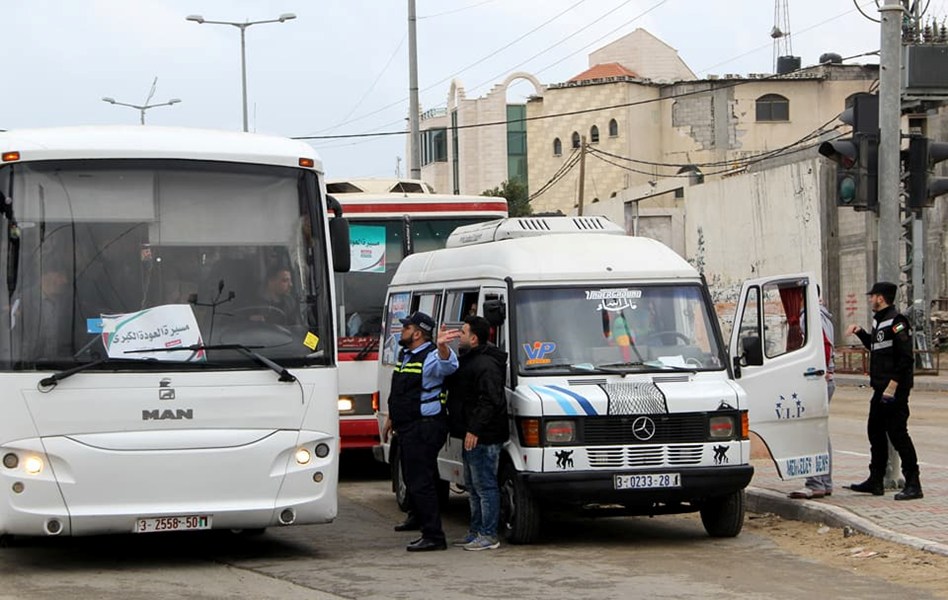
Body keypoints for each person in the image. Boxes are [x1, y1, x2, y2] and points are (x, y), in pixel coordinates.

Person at [381, 311, 459, 551]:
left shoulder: (432, 357)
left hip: (424, 427)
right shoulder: (406, 355)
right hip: (407, 425)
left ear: (417, 333)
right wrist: (391, 418)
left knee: (420, 481)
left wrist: (443, 347)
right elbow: (400, 391)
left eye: (406, 328)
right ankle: (417, 518)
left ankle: (434, 536)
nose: (401, 330)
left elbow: (449, 365)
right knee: (415, 476)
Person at [844, 281, 923, 501]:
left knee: (898, 434)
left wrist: (894, 384)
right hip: (880, 389)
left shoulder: (897, 322)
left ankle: (914, 483)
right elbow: (875, 346)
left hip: (893, 391)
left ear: (881, 298)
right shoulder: (881, 322)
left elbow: (906, 358)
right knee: (875, 432)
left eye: (873, 296)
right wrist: (860, 333)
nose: (870, 299)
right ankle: (875, 480)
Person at [446, 315, 509, 551]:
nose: (458, 336)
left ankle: (489, 534)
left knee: (485, 486)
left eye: (462, 332)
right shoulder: (469, 361)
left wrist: (475, 429)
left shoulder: (486, 364)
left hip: (484, 436)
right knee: (472, 486)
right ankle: (475, 531)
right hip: (469, 434)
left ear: (473, 338)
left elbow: (490, 400)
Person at [789, 285, 835, 499]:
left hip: (817, 379)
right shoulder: (820, 314)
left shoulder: (810, 316)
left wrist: (822, 369)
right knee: (819, 431)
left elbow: (824, 346)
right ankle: (824, 481)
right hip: (823, 378)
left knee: (812, 431)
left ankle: (816, 482)